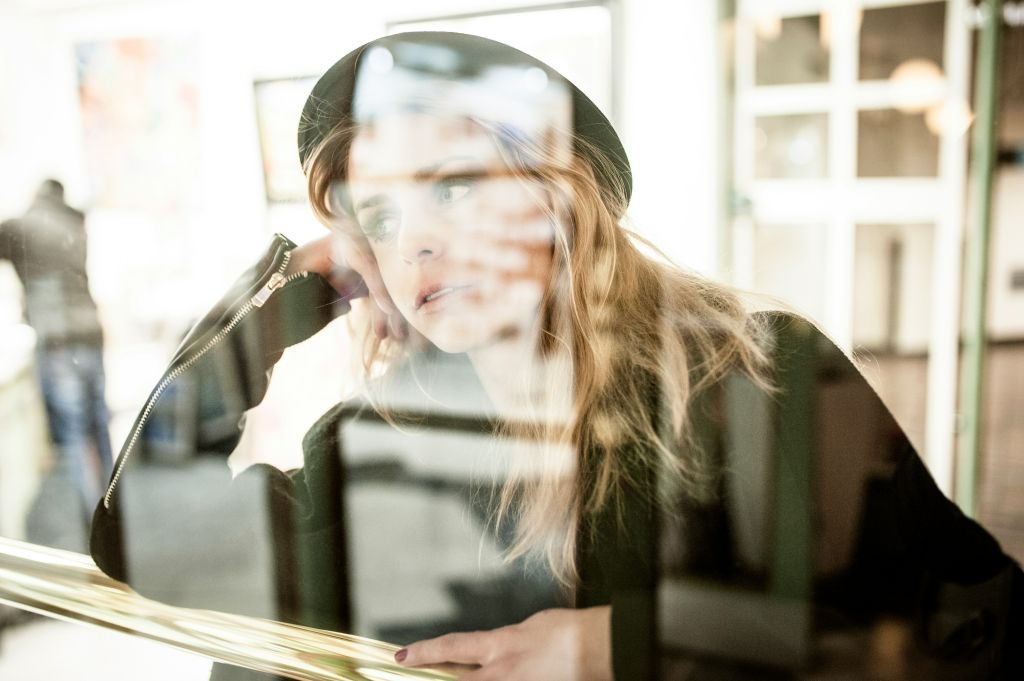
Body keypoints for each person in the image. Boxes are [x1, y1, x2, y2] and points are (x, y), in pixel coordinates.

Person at [91, 33, 1022, 680]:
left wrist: (636, 649)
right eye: (379, 217)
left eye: (453, 188)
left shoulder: (755, 371)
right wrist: (279, 296)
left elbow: (965, 631)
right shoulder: (372, 438)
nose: (411, 243)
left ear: (554, 195)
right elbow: (144, 547)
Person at [1, 179, 114, 544]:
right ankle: (114, 511)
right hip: (90, 335)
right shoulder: (73, 226)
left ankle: (94, 525)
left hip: (60, 342)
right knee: (99, 426)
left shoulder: (27, 225)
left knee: (76, 436)